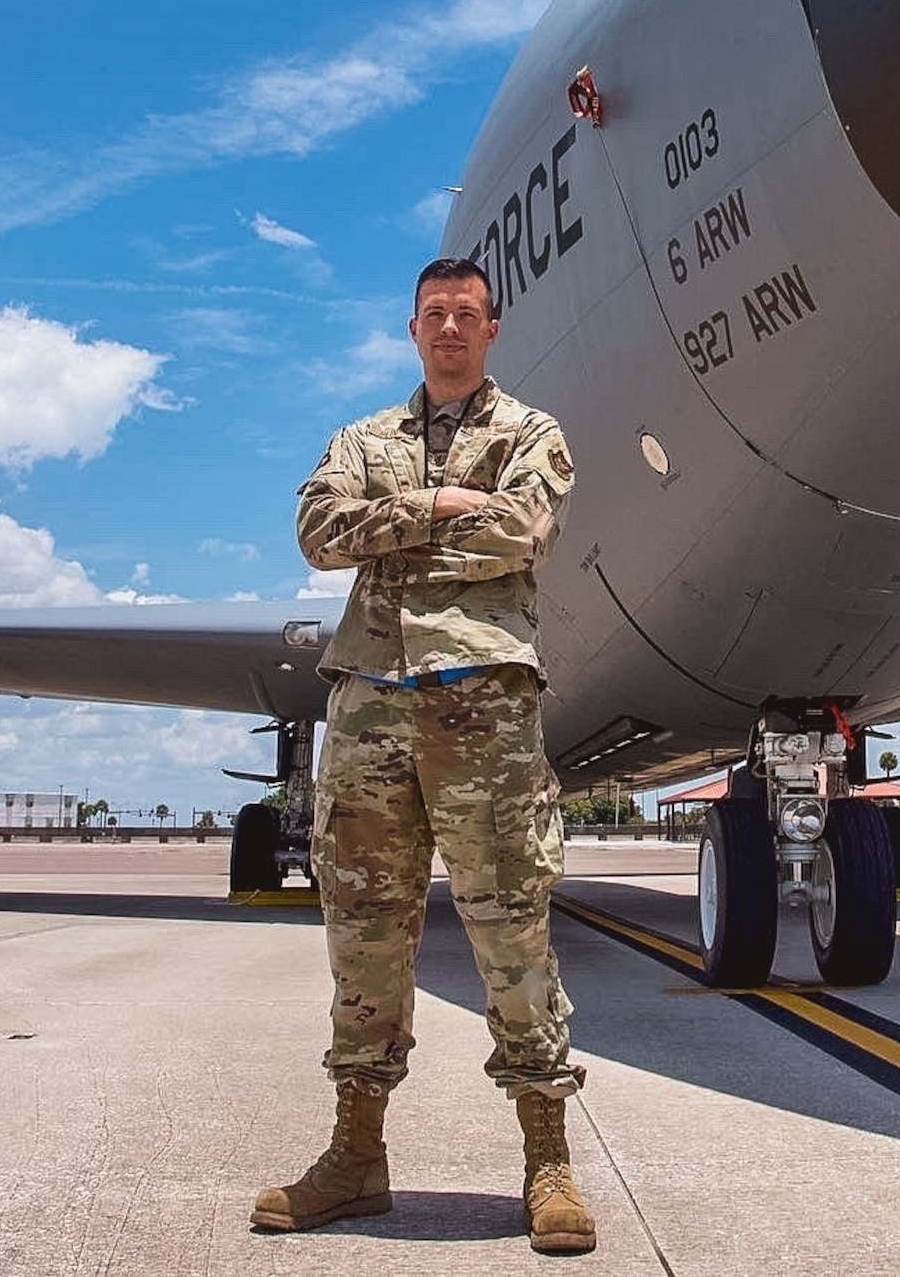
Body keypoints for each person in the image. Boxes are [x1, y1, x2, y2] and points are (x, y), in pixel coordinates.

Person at [253, 256, 594, 1254]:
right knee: (362, 935)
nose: (450, 326)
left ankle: (547, 1162)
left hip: (481, 708)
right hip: (367, 710)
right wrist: (437, 508)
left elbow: (518, 537)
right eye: (433, 313)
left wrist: (395, 526)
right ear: (412, 330)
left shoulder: (533, 435)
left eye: (467, 313)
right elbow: (317, 533)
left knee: (510, 931)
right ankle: (354, 1159)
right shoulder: (359, 439)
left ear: (492, 329)